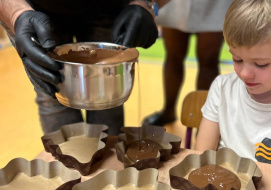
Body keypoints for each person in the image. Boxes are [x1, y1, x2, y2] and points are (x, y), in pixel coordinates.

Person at [0, 0, 160, 135]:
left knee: (107, 96)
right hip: (37, 9)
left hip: (110, 5)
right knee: (52, 92)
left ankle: (108, 165)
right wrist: (16, 14)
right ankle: (68, 163)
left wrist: (147, 3)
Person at [195, 0, 271, 169]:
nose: (244, 74)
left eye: (261, 64)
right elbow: (201, 159)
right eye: (237, 59)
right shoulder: (223, 89)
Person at [142, 0, 233, 126]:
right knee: (173, 57)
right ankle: (168, 111)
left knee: (209, 62)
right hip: (175, 4)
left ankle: (206, 120)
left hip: (214, 4)